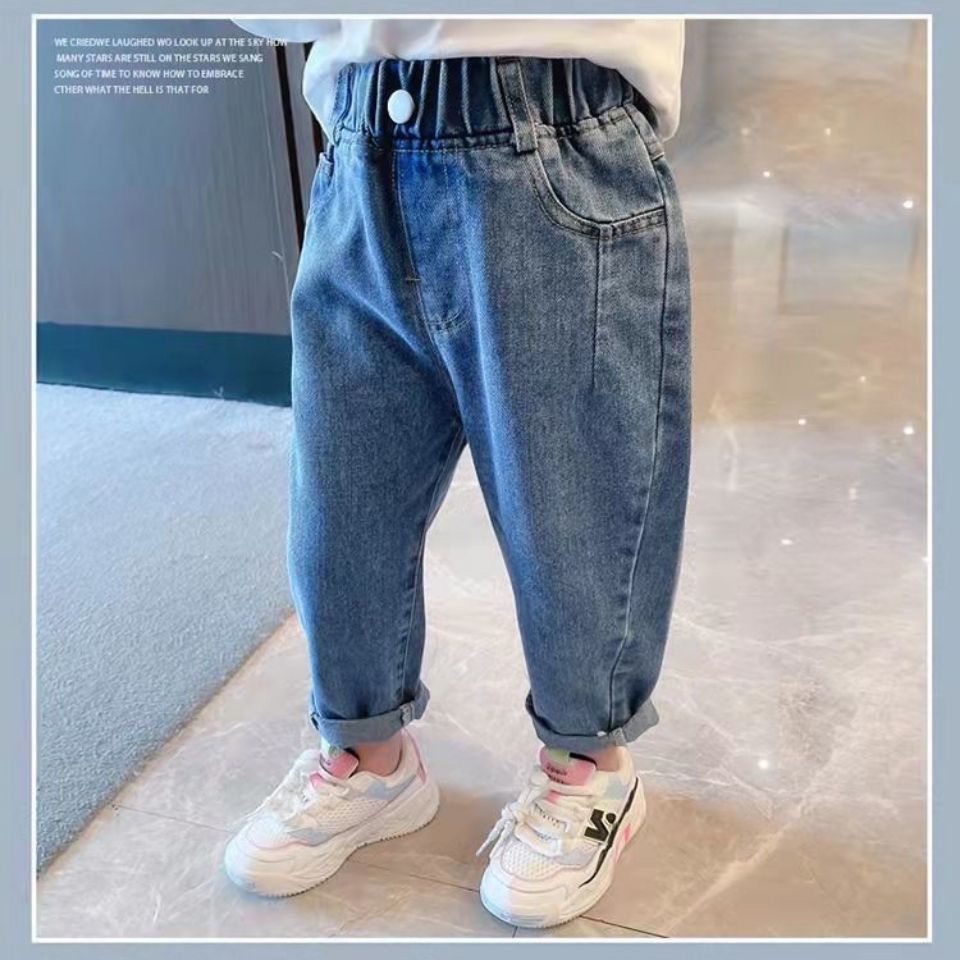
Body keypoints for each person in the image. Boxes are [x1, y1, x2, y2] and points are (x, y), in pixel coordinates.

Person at [224, 18, 691, 930]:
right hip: (359, 152)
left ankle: (590, 768)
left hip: (551, 137)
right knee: (340, 504)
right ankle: (368, 759)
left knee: (568, 504)